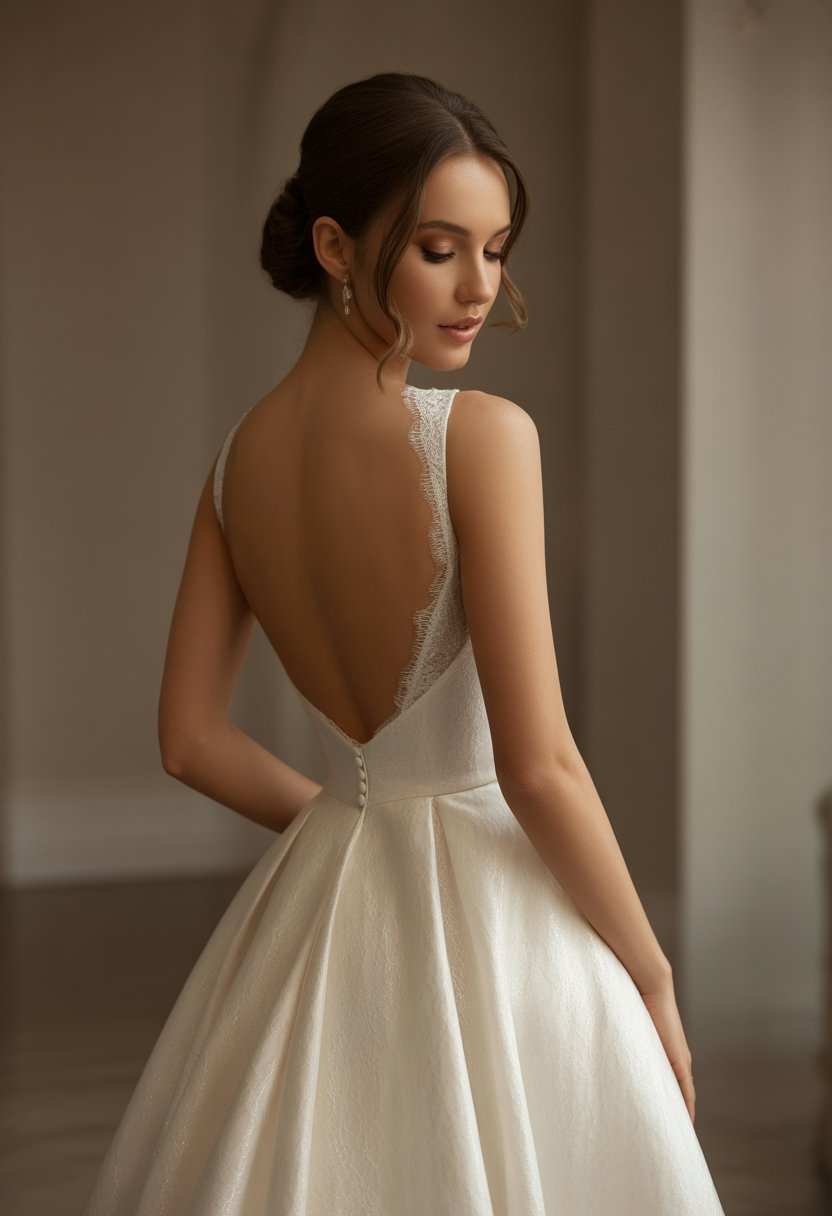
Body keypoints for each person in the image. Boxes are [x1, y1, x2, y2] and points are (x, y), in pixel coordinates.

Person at [81, 72, 725, 1214]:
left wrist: (355, 824)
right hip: (494, 900)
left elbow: (188, 740)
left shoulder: (235, 465)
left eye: (495, 248)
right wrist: (654, 978)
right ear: (336, 244)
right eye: (438, 249)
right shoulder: (480, 437)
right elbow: (538, 765)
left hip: (326, 894)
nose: (480, 287)